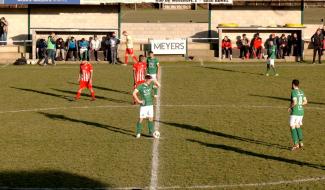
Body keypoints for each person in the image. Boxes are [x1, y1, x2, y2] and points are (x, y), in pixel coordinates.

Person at [288, 79, 307, 151]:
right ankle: (301, 142)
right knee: (297, 125)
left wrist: (290, 107)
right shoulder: (301, 91)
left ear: (293, 84)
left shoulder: (293, 92)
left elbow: (295, 102)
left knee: (292, 126)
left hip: (295, 112)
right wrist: (300, 104)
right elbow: (305, 101)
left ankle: (296, 145)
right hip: (301, 112)